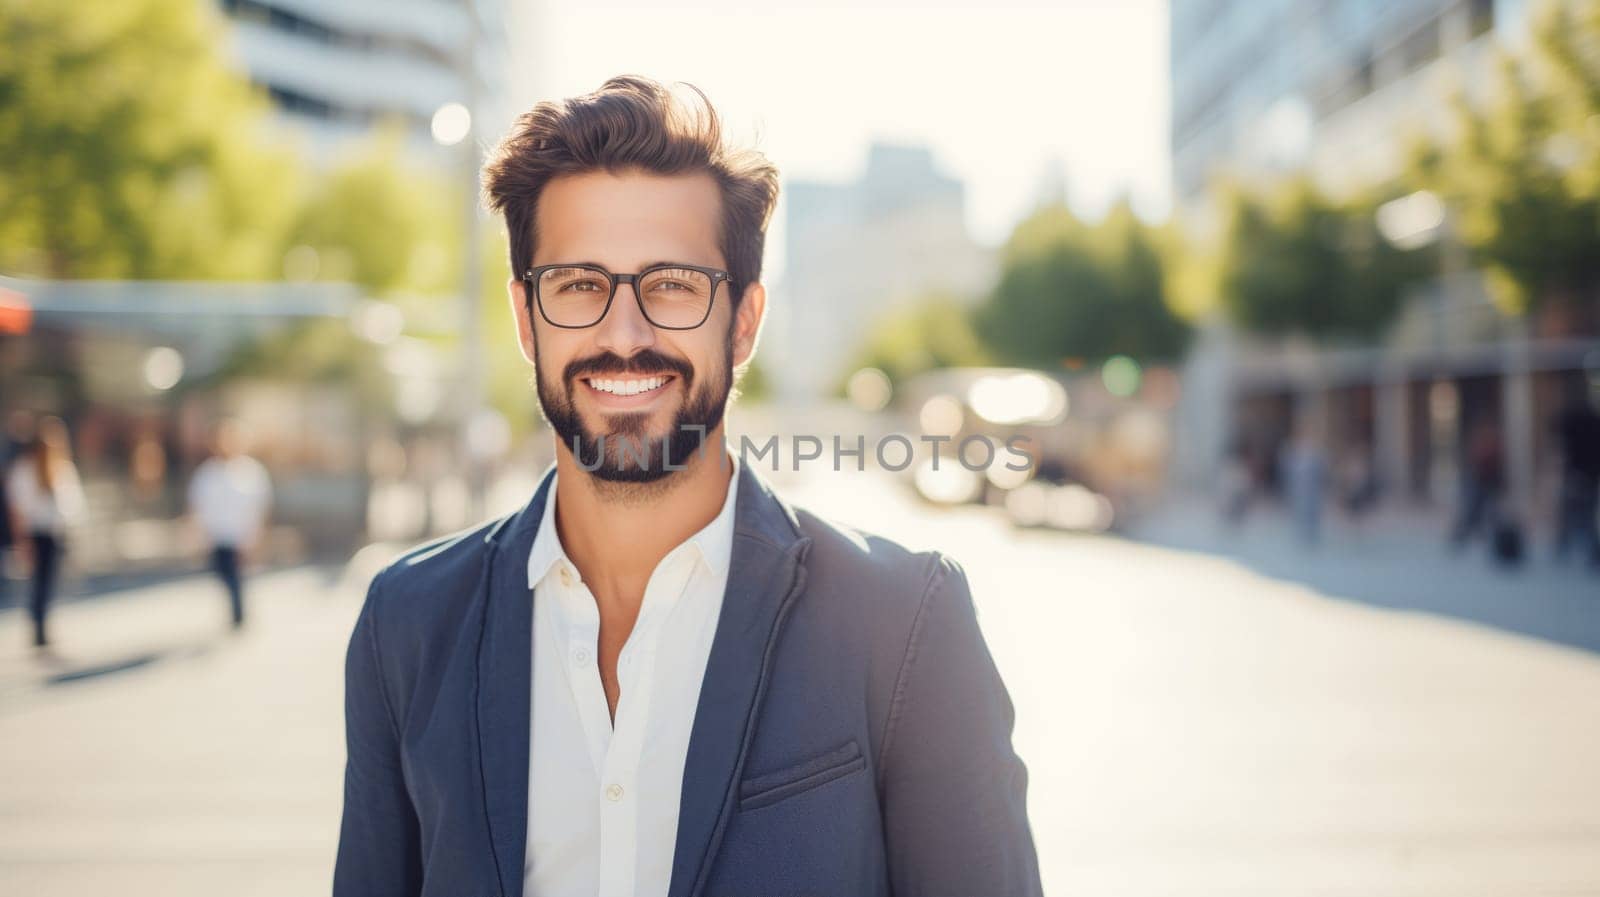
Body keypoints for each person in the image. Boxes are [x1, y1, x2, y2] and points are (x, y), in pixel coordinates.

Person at [333, 77, 1043, 897]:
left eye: (671, 284)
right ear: (527, 320)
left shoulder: (905, 625)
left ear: (743, 321)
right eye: (578, 284)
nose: (623, 335)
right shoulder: (409, 623)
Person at [6, 416, 84, 649]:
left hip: (54, 532)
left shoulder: (60, 468)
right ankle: (38, 628)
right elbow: (17, 509)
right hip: (36, 534)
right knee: (38, 584)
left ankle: (43, 626)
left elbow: (72, 502)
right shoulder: (25, 470)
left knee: (49, 582)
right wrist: (22, 541)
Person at [187, 421, 272, 630]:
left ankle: (239, 615)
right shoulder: (207, 473)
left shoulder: (251, 471)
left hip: (241, 535)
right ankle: (236, 612)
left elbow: (261, 503)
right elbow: (197, 504)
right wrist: (197, 533)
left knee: (237, 576)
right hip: (217, 535)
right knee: (223, 574)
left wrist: (257, 534)